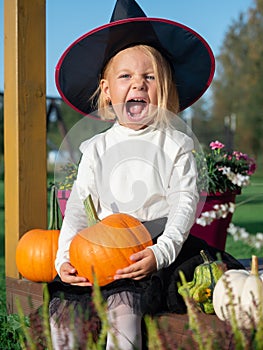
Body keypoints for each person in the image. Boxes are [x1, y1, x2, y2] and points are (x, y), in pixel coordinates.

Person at [48, 1, 243, 349]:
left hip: (156, 250)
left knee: (125, 312)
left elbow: (184, 205)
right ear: (107, 91)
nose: (138, 84)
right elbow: (77, 209)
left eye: (149, 77)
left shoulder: (176, 143)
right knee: (64, 313)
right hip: (103, 252)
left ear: (164, 88)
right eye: (125, 76)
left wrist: (162, 253)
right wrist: (64, 258)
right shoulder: (96, 149)